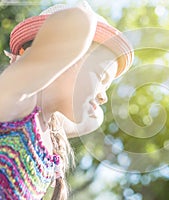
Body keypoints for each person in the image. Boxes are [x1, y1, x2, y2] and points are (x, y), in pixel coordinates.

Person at [0, 2, 133, 200]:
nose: (104, 96)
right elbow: (78, 22)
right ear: (62, 58)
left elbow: (96, 118)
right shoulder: (18, 101)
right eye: (101, 77)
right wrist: (87, 17)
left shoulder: (52, 129)